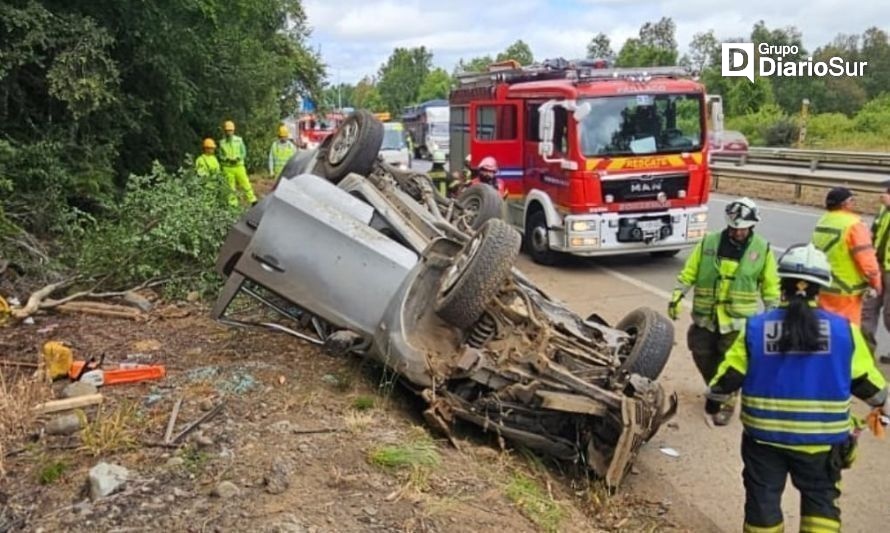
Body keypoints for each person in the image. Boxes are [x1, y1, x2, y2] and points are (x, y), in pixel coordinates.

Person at [706, 243, 889, 533]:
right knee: (821, 502)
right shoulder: (844, 331)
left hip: (764, 439)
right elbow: (870, 387)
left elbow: (728, 377)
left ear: (782, 283)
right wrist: (882, 407)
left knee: (762, 502)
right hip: (822, 443)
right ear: (821, 287)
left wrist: (714, 402)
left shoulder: (757, 327)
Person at [668, 197, 781, 425]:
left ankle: (727, 399)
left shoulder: (762, 249)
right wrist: (677, 295)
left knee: (730, 362)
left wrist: (773, 313)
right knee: (701, 352)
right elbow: (690, 270)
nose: (737, 232)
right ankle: (717, 388)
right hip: (706, 316)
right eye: (734, 228)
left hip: (737, 320)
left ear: (752, 226)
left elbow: (770, 285)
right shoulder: (709, 243)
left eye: (742, 229)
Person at [811, 187, 881, 325]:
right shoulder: (854, 224)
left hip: (823, 286)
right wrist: (876, 282)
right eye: (852, 201)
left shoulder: (822, 221)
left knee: (825, 328)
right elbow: (866, 258)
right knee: (848, 331)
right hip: (847, 291)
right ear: (845, 204)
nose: (854, 204)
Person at [862, 180, 890, 360]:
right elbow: (875, 233)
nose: (883, 194)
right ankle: (865, 354)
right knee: (867, 310)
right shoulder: (883, 210)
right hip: (877, 267)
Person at [218, 120, 257, 206]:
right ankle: (233, 204)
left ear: (233, 130)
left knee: (245, 183)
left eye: (230, 130)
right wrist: (226, 159)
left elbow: (244, 152)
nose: (229, 132)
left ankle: (253, 200)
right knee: (230, 186)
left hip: (239, 166)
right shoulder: (221, 143)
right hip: (227, 167)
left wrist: (239, 158)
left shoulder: (239, 140)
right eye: (227, 130)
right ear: (224, 131)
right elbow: (220, 155)